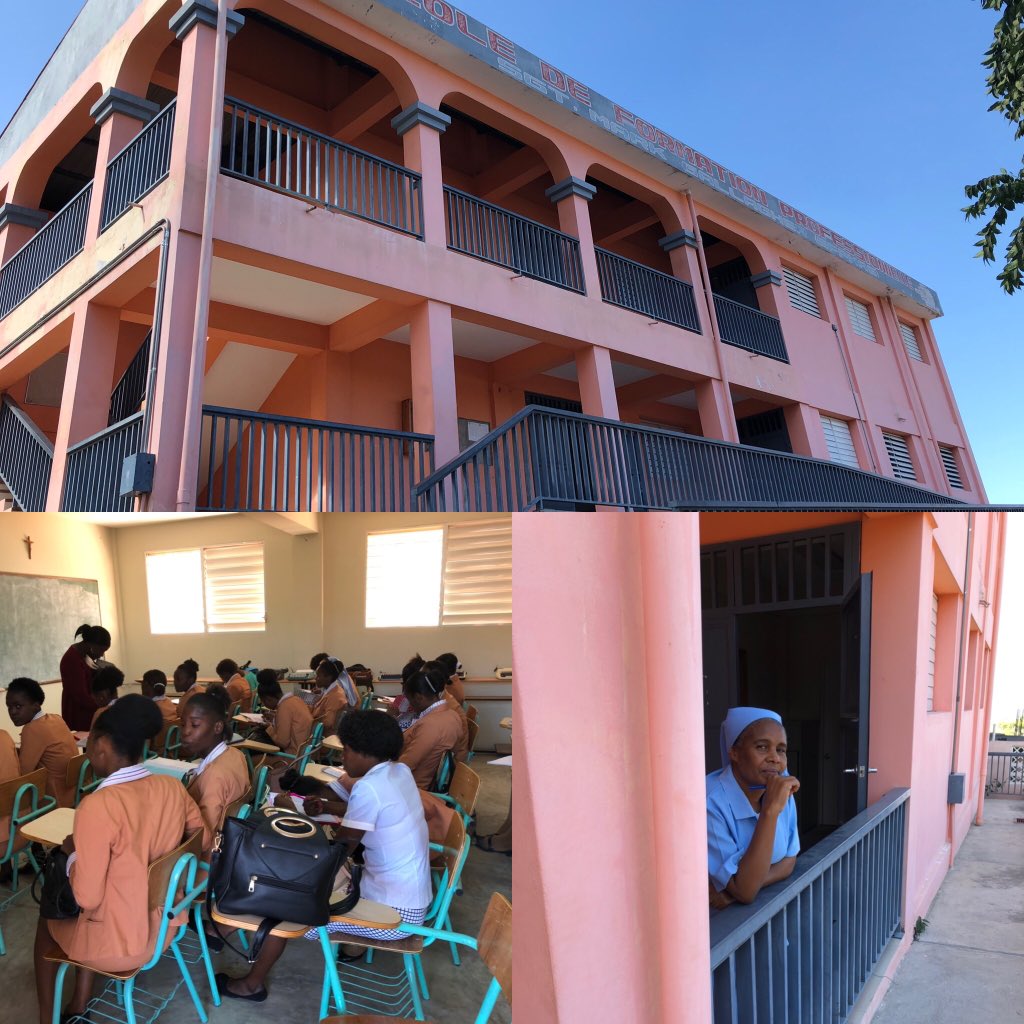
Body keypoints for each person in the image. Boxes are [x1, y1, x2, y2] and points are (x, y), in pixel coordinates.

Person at [217, 710, 432, 1001]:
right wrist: (329, 808)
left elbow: (339, 852)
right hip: (409, 898)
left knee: (284, 905)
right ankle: (223, 930)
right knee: (288, 888)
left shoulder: (370, 787)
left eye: (346, 751)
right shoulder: (398, 771)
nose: (343, 758)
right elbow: (372, 814)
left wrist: (295, 820)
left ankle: (250, 983)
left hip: (393, 914)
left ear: (363, 752)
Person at [32, 695, 203, 1024]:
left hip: (119, 944)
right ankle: (78, 1003)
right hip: (163, 927)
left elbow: (87, 897)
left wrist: (72, 853)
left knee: (46, 922)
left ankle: (46, 1018)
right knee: (96, 902)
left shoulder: (97, 805)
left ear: (101, 744)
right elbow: (200, 838)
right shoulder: (171, 788)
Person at [706, 707, 800, 908]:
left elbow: (789, 860)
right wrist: (770, 812)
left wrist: (738, 889)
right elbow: (746, 893)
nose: (775, 758)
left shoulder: (781, 790)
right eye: (762, 747)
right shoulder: (710, 803)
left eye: (781, 750)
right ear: (734, 753)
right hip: (722, 923)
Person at [180, 686, 250, 863]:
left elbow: (202, 840)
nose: (185, 731)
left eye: (195, 725)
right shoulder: (235, 754)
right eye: (183, 724)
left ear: (217, 727)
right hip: (231, 847)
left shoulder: (214, 775)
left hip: (206, 863)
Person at [6, 678, 78, 807]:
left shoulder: (31, 729)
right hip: (73, 792)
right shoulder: (56, 718)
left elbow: (22, 774)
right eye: (9, 707)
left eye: (18, 706)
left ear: (36, 705)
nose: (12, 712)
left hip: (53, 799)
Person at [59, 624, 111, 732]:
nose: (102, 655)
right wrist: (102, 708)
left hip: (87, 708)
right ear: (92, 645)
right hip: (78, 712)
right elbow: (80, 695)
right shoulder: (72, 659)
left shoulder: (84, 655)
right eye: (101, 650)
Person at [257, 672, 313, 756]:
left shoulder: (283, 708)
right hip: (305, 752)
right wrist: (275, 718)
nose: (263, 704)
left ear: (268, 699)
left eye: (263, 701)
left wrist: (269, 727)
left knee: (250, 757)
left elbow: (283, 743)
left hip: (292, 756)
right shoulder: (296, 699)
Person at [311, 657, 357, 726]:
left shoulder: (335, 696)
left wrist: (309, 721)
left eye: (318, 676)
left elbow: (328, 722)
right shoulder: (331, 690)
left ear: (329, 677)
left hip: (322, 731)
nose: (315, 678)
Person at [88, 664, 124, 730]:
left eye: (95, 699)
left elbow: (92, 736)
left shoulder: (101, 713)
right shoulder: (127, 706)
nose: (95, 703)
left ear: (102, 695)